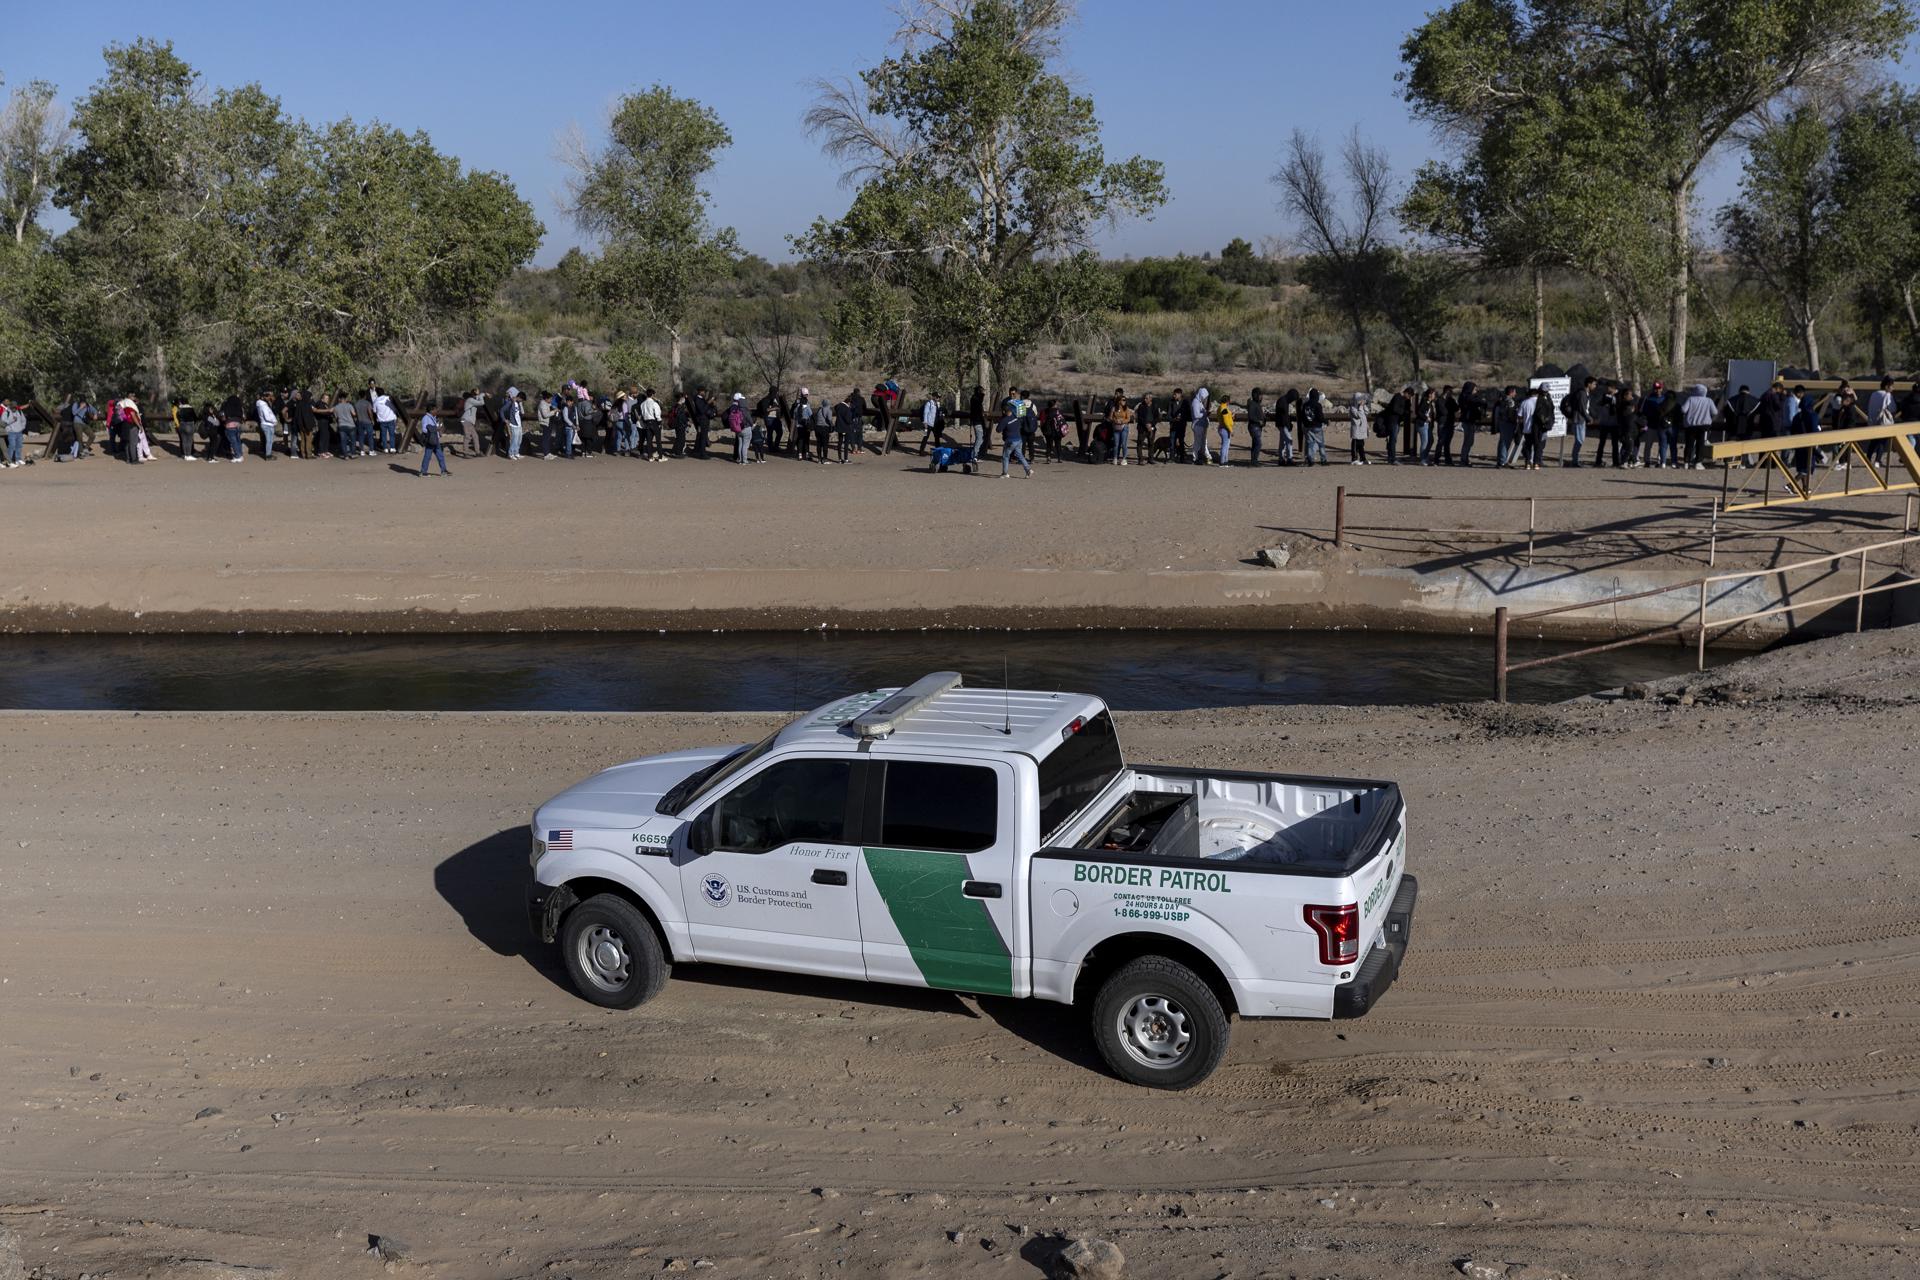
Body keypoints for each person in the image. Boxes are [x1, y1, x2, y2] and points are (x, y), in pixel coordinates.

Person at [1680, 383, 1718, 470]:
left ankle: (1686, 462)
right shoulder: (1709, 400)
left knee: (1689, 444)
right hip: (1704, 426)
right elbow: (1715, 412)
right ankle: (1698, 462)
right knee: (1700, 444)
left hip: (1690, 426)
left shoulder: (1690, 399)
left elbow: (1683, 409)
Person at [1563, 376, 1595, 467]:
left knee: (1580, 440)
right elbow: (1582, 408)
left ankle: (1575, 460)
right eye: (1594, 384)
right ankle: (1574, 461)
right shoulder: (1582, 393)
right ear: (1589, 384)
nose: (1595, 386)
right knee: (1579, 440)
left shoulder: (1585, 393)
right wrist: (1589, 418)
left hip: (1581, 419)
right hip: (1578, 419)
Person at [998, 397, 1032, 478]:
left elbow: (998, 430)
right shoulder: (1016, 416)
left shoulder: (1005, 420)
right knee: (1020, 455)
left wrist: (1002, 422)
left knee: (1005, 456)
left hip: (1010, 440)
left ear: (1003, 411)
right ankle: (1028, 469)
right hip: (1019, 439)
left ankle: (1005, 473)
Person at [1524, 385, 1553, 470]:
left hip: (1530, 427)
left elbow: (1520, 416)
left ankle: (1528, 463)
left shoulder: (1526, 402)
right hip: (1540, 427)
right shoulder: (1544, 400)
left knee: (1528, 445)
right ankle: (1536, 463)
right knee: (1539, 445)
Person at [417, 404, 450, 476]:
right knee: (427, 456)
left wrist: (439, 430)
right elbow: (424, 429)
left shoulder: (433, 417)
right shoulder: (426, 418)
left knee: (440, 455)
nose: (437, 411)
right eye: (435, 409)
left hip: (435, 439)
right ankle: (423, 472)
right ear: (431, 410)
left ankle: (443, 470)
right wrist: (435, 429)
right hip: (430, 440)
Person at [1456, 381, 1482, 466]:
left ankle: (1465, 458)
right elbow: (1476, 401)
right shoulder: (1467, 398)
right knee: (1468, 441)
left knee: (1469, 441)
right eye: (1474, 389)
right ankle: (1464, 459)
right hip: (1468, 421)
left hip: (1469, 421)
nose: (1475, 391)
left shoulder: (1465, 397)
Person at [1495, 386, 1521, 468]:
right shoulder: (1510, 402)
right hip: (1508, 424)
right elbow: (1510, 413)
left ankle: (1501, 460)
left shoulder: (1502, 400)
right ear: (1511, 392)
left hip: (1502, 423)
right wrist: (1514, 420)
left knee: (1502, 442)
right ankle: (1503, 461)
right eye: (1514, 392)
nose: (1515, 394)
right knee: (1505, 443)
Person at [1301, 387, 1328, 464]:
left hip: (1308, 427)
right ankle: (1323, 460)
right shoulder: (1318, 405)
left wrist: (1305, 424)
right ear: (1317, 396)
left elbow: (1303, 416)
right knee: (1321, 444)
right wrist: (1325, 421)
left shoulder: (1305, 405)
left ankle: (1310, 459)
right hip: (1317, 427)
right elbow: (1320, 417)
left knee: (1310, 443)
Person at [1108, 388, 1133, 466]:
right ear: (1119, 401)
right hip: (1116, 427)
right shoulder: (1114, 408)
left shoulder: (1127, 409)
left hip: (1124, 427)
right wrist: (1115, 420)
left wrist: (1122, 421)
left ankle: (1124, 459)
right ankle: (1115, 458)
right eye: (1122, 400)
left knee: (1124, 444)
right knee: (1116, 443)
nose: (1124, 401)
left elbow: (1128, 418)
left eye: (1125, 400)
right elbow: (1110, 417)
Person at [1135, 391, 1160, 465]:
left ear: (1150, 399)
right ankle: (1141, 459)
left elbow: (1157, 417)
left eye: (1146, 398)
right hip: (1142, 428)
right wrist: (1146, 424)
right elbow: (1139, 418)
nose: (1145, 400)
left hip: (1151, 428)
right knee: (1140, 443)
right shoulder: (1141, 406)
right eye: (1144, 398)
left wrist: (1151, 425)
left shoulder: (1155, 406)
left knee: (1151, 443)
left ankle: (1151, 459)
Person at [725, 392, 751, 464]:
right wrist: (751, 424)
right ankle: (744, 460)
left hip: (737, 427)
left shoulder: (732, 407)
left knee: (740, 444)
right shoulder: (742, 408)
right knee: (745, 445)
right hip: (744, 427)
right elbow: (748, 418)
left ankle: (739, 459)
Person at [1435, 385, 1457, 466]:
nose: (1452, 393)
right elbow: (1443, 411)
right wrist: (1450, 410)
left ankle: (1448, 460)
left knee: (1447, 443)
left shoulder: (1451, 400)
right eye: (1450, 392)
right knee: (1441, 441)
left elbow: (1456, 408)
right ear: (1447, 391)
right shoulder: (1439, 400)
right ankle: (1436, 459)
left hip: (1450, 423)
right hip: (1443, 423)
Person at [255, 390, 280, 460]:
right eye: (268, 396)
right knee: (269, 440)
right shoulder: (263, 405)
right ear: (263, 397)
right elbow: (267, 416)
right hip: (268, 424)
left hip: (266, 424)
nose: (269, 397)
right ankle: (268, 455)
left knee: (269, 440)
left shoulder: (261, 404)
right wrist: (274, 421)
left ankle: (268, 454)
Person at [1414, 387, 1437, 465]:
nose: (1434, 395)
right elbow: (1418, 412)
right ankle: (1423, 459)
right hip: (1422, 424)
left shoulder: (1430, 403)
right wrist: (1426, 417)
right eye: (1433, 394)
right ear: (1430, 394)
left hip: (1428, 425)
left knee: (1430, 440)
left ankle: (1425, 457)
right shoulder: (1424, 402)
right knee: (1425, 442)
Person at [0, 398, 25, 468]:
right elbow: (3, 422)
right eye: (13, 407)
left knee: (19, 446)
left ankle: (17, 459)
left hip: (19, 432)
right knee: (11, 446)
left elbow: (23, 420)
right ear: (10, 406)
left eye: (15, 407)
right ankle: (9, 461)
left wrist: (22, 428)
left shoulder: (19, 411)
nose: (14, 409)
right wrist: (11, 422)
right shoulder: (6, 412)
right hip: (11, 432)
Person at [1348, 391, 1371, 464]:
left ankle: (1363, 458)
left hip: (1362, 429)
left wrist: (1364, 405)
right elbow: (1358, 415)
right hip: (1356, 429)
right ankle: (1354, 459)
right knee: (1355, 444)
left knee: (1361, 445)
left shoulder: (1361, 407)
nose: (1361, 401)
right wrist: (1361, 407)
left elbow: (1367, 412)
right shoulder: (1353, 408)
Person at [1169, 387, 1190, 463]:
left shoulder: (1185, 402)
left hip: (1181, 425)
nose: (1174, 396)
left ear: (1180, 394)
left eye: (1175, 394)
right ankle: (1171, 458)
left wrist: (1182, 418)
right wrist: (1173, 419)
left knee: (1181, 441)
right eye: (1173, 394)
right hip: (1173, 425)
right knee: (1172, 441)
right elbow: (1169, 415)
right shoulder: (1171, 402)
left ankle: (1182, 458)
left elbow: (1189, 414)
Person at [1213, 394, 1233, 466]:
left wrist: (1231, 416)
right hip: (1225, 429)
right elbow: (1226, 421)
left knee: (1225, 445)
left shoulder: (1220, 407)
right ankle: (1222, 462)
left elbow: (1225, 418)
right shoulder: (1224, 408)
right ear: (1227, 401)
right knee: (1225, 446)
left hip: (1222, 428)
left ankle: (1225, 461)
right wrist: (1230, 430)